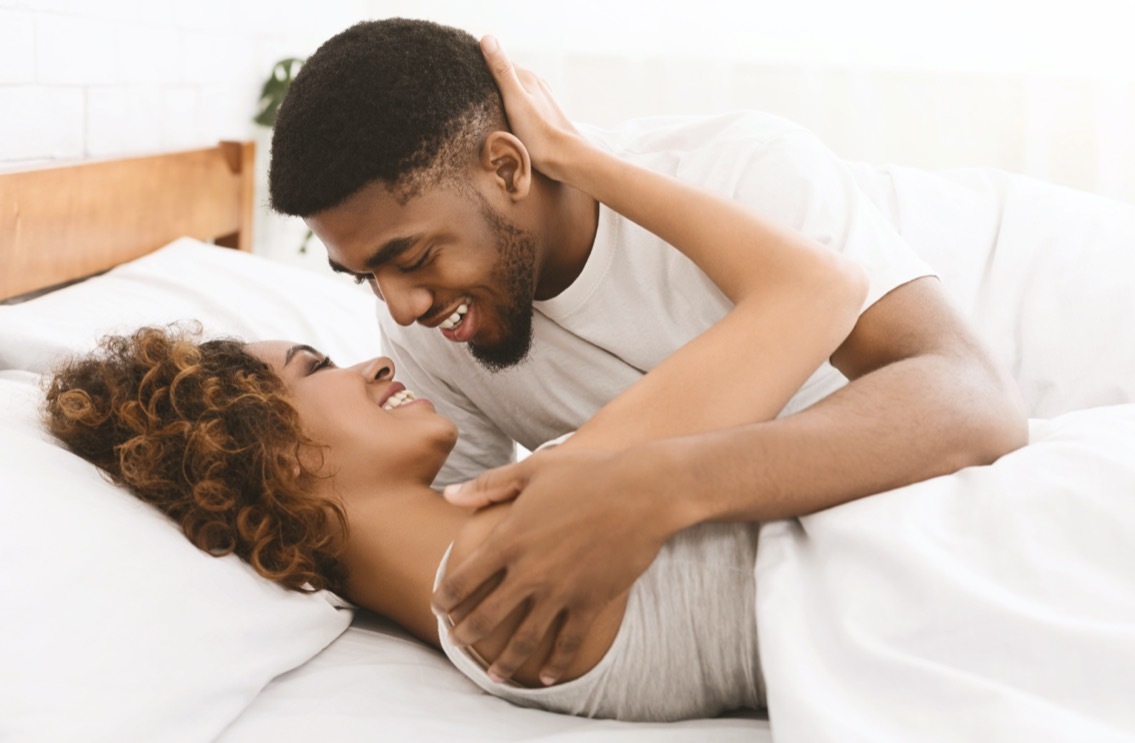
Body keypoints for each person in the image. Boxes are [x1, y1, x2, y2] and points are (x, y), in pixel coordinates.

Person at [43, 95, 870, 720]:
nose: (380, 348)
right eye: (316, 362)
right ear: (271, 451)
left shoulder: (464, 601)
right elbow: (823, 287)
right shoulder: (535, 540)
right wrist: (580, 160)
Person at [267, 19, 1028, 687]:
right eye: (365, 275)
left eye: (414, 254)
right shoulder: (424, 333)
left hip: (1018, 325)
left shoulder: (739, 169)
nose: (399, 306)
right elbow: (487, 541)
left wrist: (664, 485)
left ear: (508, 168)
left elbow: (975, 401)